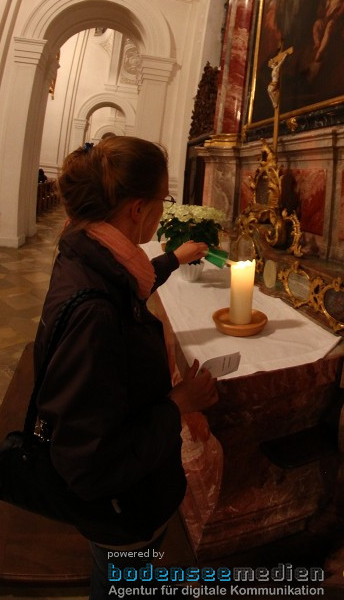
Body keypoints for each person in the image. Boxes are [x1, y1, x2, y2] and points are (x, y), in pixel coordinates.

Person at [33, 136, 218, 598]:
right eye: (163, 199)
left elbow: (125, 284)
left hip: (125, 502)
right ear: (138, 209)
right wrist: (179, 403)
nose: (163, 209)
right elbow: (89, 460)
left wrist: (173, 258)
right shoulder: (94, 310)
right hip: (122, 510)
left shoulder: (89, 251)